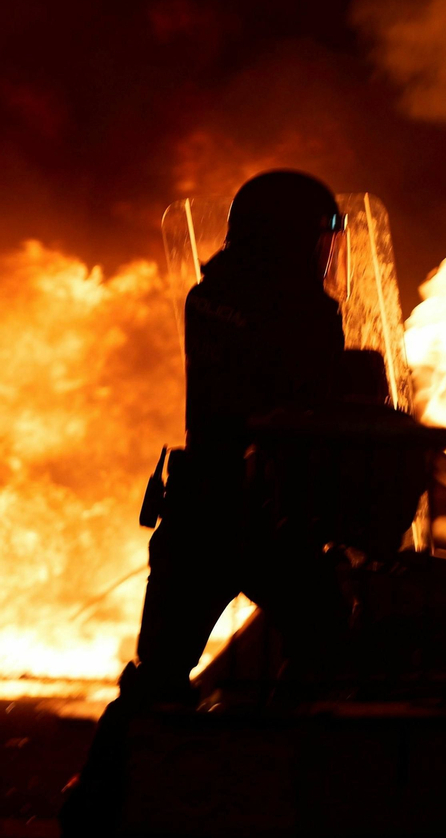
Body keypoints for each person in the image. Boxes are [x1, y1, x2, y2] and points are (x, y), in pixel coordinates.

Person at [63, 170, 352, 832]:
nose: (326, 253)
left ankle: (104, 803)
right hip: (259, 513)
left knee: (165, 671)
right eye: (318, 237)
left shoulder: (213, 294)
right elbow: (309, 398)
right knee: (323, 642)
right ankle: (261, 776)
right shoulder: (295, 310)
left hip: (208, 507)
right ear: (288, 237)